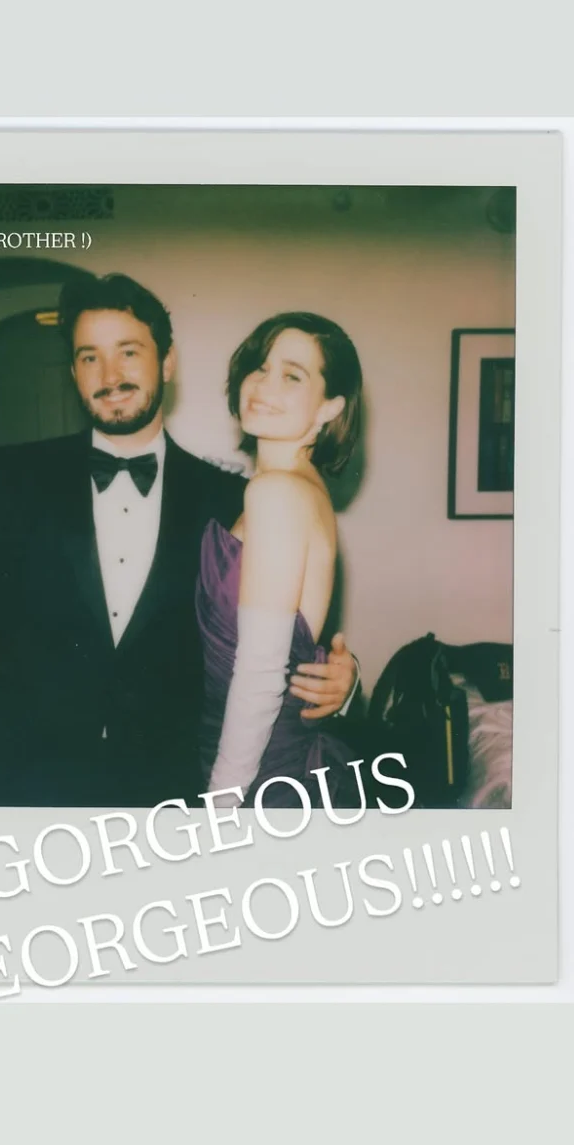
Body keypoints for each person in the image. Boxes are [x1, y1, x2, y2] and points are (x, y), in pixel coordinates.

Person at [0, 273, 360, 809]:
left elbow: (290, 637)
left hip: (171, 787)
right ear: (73, 372)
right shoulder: (15, 476)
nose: (110, 375)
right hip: (28, 777)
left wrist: (343, 682)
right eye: (90, 357)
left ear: (167, 363)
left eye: (128, 352)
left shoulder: (232, 497)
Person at [196, 311, 363, 808]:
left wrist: (220, 808)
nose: (264, 385)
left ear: (330, 407)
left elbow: (261, 671)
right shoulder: (302, 488)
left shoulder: (277, 493)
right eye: (260, 366)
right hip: (265, 757)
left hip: (257, 777)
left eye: (292, 376)